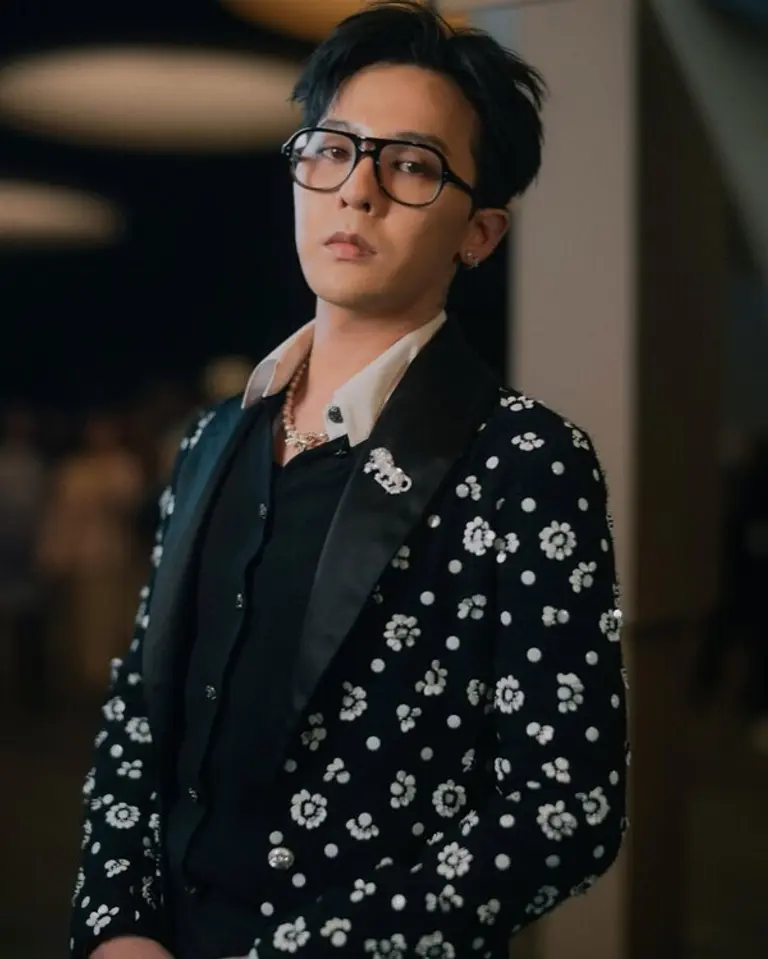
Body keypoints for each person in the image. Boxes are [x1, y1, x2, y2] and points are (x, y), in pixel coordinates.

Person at [70, 3, 629, 958]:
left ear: (480, 232)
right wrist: (116, 923)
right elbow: (139, 708)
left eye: (411, 165)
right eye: (333, 150)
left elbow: (566, 804)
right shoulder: (212, 436)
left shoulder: (523, 459)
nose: (357, 190)